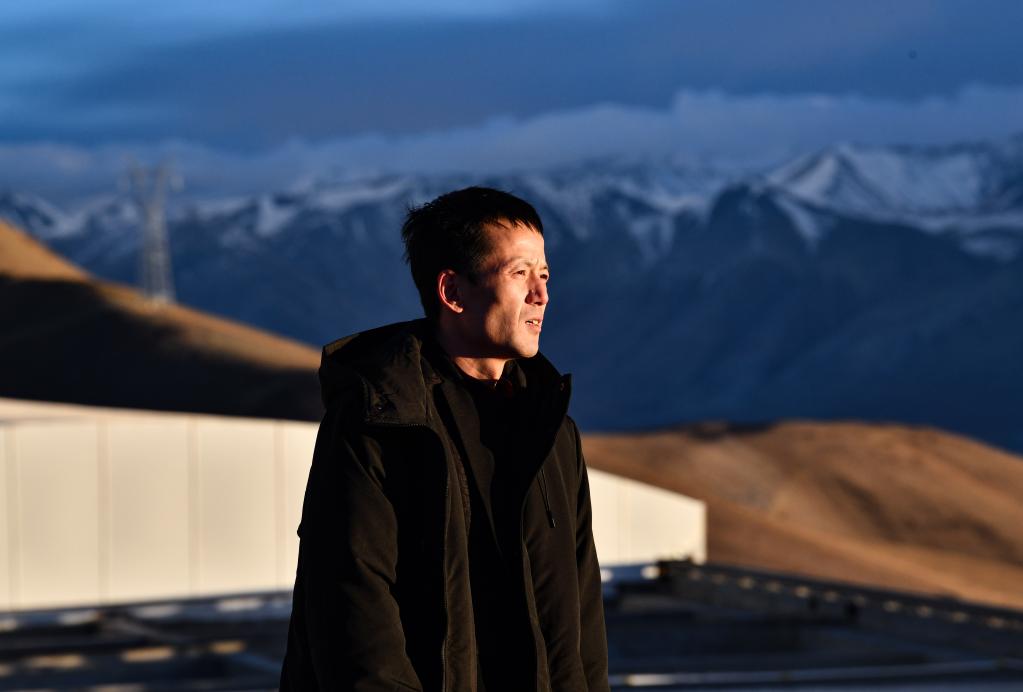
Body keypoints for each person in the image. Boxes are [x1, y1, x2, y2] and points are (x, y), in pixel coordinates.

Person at [280, 186, 609, 691]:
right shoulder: (379, 424)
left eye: (544, 274)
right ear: (453, 291)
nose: (541, 295)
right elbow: (354, 619)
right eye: (519, 273)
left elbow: (583, 621)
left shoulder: (554, 431)